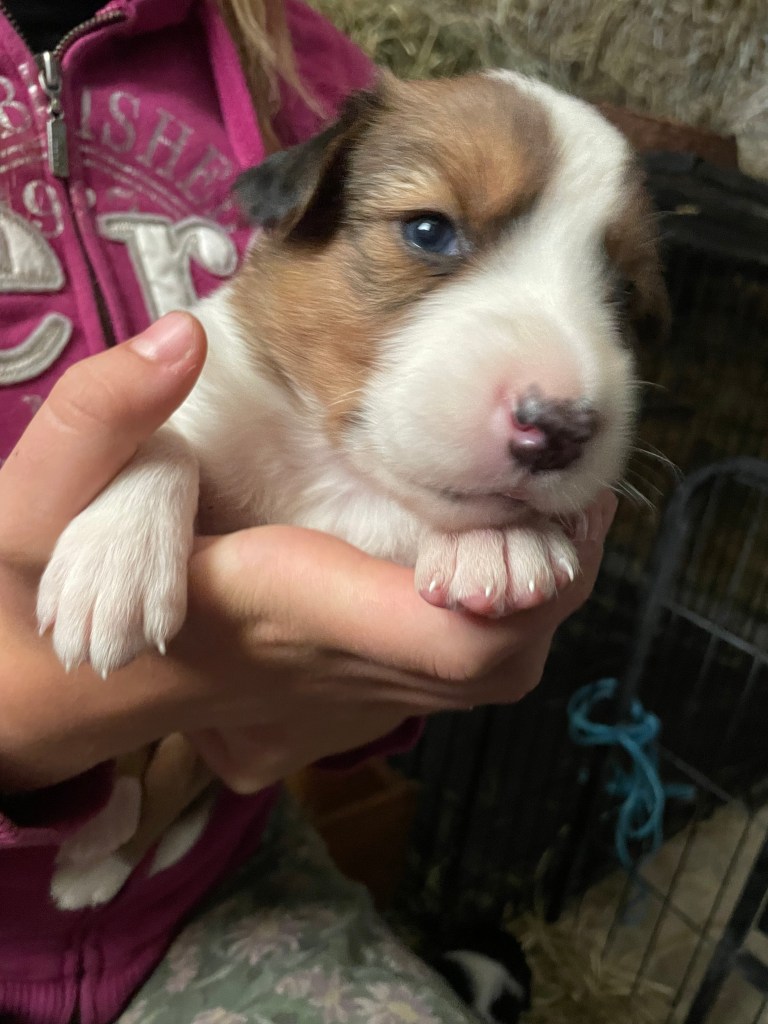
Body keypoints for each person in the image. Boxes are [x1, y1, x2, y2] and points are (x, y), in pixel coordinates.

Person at [0, 2, 617, 1022]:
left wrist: (396, 666)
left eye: (618, 300)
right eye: (432, 231)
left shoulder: (294, 54)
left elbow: (310, 705)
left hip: (215, 880)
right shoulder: (251, 338)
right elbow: (182, 420)